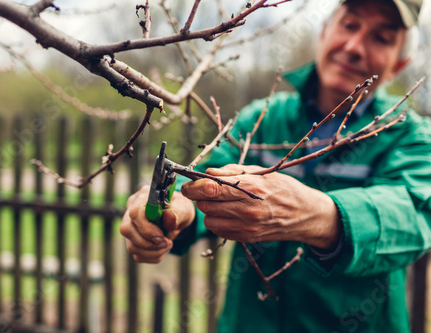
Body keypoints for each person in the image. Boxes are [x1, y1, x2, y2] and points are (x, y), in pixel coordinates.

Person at [120, 0, 431, 332]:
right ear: (325, 32)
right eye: (349, 25)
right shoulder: (263, 118)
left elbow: (414, 215)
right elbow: (204, 186)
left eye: (381, 38)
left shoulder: (411, 137)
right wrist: (176, 211)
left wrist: (316, 214)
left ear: (399, 64)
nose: (355, 47)